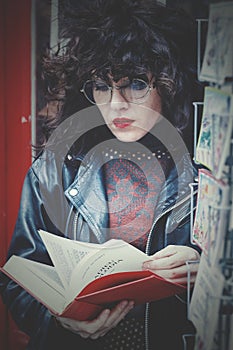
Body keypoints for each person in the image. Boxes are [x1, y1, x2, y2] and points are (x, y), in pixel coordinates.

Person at [0, 1, 202, 349]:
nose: (115, 104)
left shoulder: (206, 170)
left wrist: (207, 271)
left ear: (170, 85)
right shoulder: (57, 169)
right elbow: (18, 283)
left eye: (136, 83)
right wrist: (59, 321)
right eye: (100, 86)